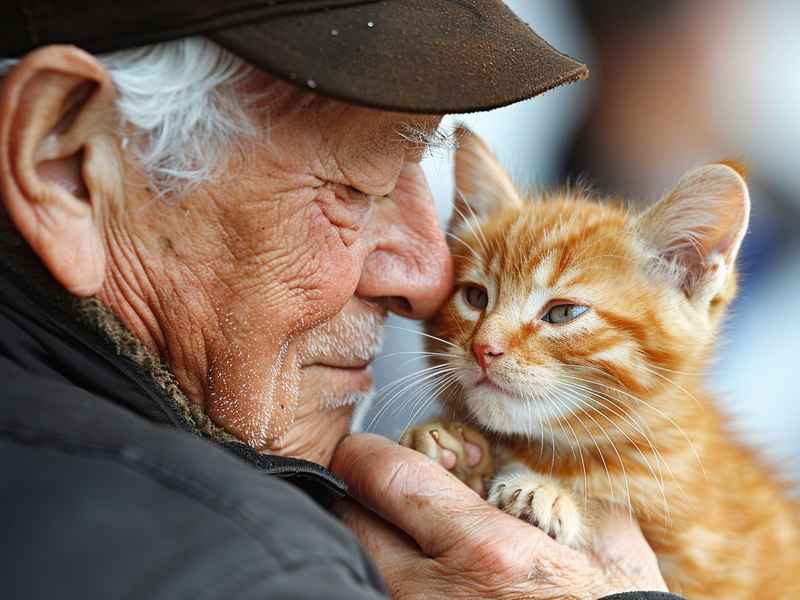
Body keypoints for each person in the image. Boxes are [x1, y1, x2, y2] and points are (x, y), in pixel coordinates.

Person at [0, 1, 679, 598]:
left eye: (422, 173)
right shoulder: (245, 569)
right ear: (68, 169)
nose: (427, 277)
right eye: (357, 188)